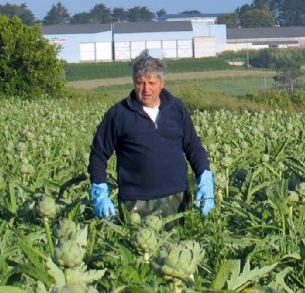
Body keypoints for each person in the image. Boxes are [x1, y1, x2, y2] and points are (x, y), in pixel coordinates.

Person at [88, 52, 215, 221]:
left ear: (162, 83)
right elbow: (98, 155)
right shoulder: (119, 114)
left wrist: (205, 179)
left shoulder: (177, 109)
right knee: (139, 245)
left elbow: (193, 147)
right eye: (140, 83)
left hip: (177, 198)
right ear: (134, 83)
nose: (146, 89)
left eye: (151, 83)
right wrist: (100, 193)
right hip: (136, 202)